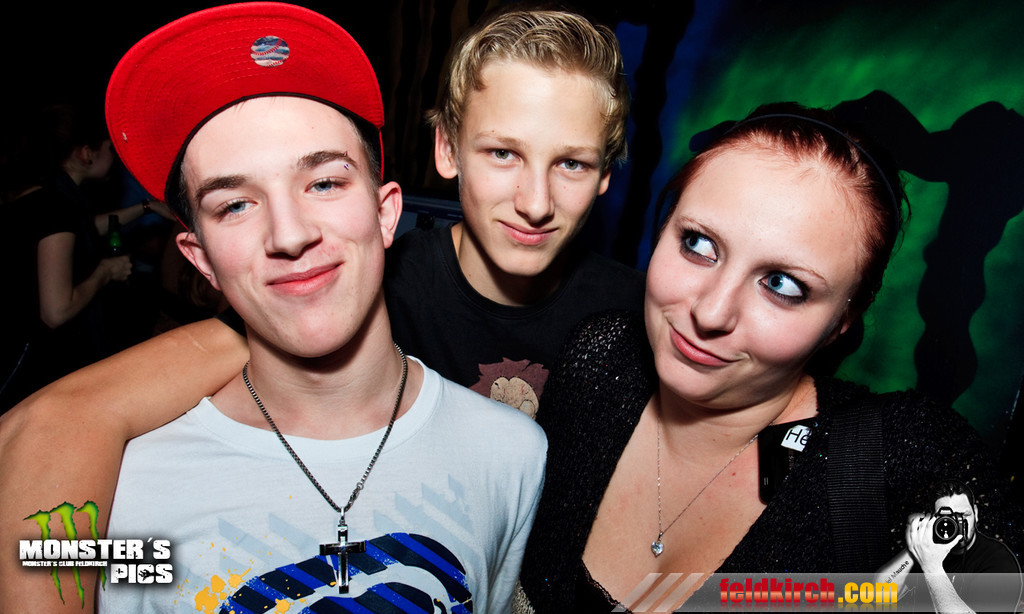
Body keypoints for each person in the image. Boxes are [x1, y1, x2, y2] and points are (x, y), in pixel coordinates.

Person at [5, 4, 546, 612]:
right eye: (235, 205)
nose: (289, 234)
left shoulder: (509, 455)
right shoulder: (121, 498)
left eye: (324, 183)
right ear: (201, 258)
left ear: (385, 212)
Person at [516, 104, 1023, 612]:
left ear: (842, 321)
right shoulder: (599, 360)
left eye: (781, 284)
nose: (711, 312)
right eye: (698, 244)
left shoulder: (903, 464)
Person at [384, 8, 644, 413]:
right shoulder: (381, 292)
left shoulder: (638, 318)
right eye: (503, 153)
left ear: (604, 174)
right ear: (448, 149)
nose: (536, 205)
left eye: (571, 163)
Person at [0, 103, 168, 411]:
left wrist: (146, 207)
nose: (114, 157)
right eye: (108, 148)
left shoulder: (40, 194)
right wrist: (105, 271)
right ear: (86, 153)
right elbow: (57, 311)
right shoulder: (58, 207)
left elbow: (79, 232)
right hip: (37, 369)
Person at [876, 480, 1023, 612]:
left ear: (976, 513)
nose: (956, 525)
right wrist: (915, 546)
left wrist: (932, 568)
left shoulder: (998, 560)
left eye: (963, 515)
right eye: (947, 518)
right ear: (933, 520)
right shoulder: (926, 552)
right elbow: (879, 595)